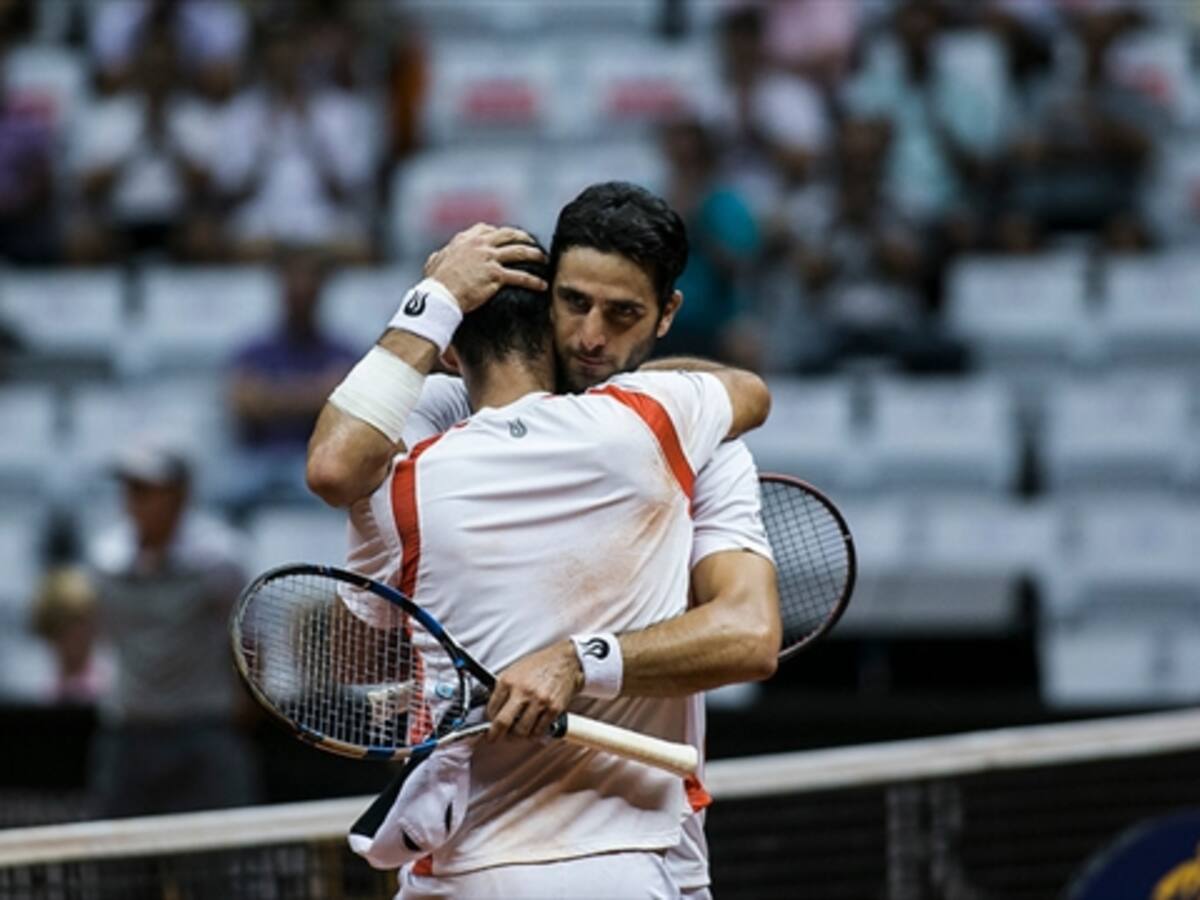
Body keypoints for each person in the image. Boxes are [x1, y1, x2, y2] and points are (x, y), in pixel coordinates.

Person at [309, 182, 782, 899]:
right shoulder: (433, 417)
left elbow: (749, 634)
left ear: (666, 316)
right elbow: (336, 468)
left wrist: (578, 661)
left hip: (655, 851)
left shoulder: (693, 436)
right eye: (575, 303)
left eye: (623, 314)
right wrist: (436, 300)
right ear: (542, 291)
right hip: (468, 856)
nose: (593, 337)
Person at [84, 438, 257, 818]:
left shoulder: (219, 560)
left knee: (221, 867)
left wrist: (241, 700)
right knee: (115, 871)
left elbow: (249, 637)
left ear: (180, 495)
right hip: (128, 734)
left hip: (204, 733)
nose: (134, 500)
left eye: (146, 490)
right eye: (130, 489)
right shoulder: (105, 561)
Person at [226, 246, 357, 507]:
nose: (300, 291)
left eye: (308, 283)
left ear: (320, 290)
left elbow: (343, 408)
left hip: (317, 460)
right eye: (293, 282)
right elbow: (244, 404)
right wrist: (314, 396)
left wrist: (271, 397)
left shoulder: (344, 350)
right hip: (258, 461)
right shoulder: (251, 350)